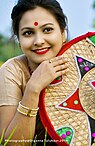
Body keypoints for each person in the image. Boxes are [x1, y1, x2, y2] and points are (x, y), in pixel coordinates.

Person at [0, 0, 69, 145]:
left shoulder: (84, 67)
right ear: (19, 41)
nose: (38, 41)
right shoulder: (13, 71)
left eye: (47, 30)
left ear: (63, 34)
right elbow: (11, 143)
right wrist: (33, 89)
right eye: (28, 33)